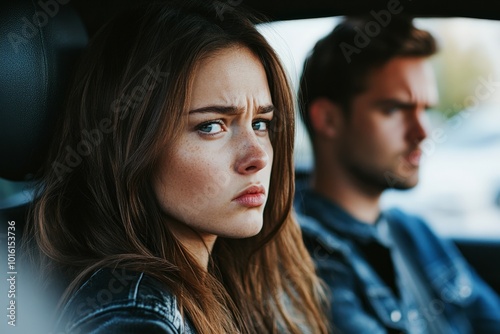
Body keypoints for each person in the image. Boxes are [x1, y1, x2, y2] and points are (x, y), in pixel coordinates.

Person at [24, 1, 329, 333]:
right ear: (129, 145)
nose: (258, 157)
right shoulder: (131, 314)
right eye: (211, 126)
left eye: (260, 123)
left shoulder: (238, 279)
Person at [296, 15, 500, 334]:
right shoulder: (302, 257)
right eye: (394, 109)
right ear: (328, 119)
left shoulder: (412, 231)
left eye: (424, 110)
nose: (422, 132)